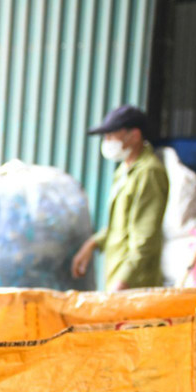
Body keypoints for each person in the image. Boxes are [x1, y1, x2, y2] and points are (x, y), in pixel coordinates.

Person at [71, 104, 169, 291]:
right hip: (117, 275)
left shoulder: (148, 172)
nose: (107, 141)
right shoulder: (124, 171)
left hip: (135, 284)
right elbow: (119, 225)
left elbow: (145, 237)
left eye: (111, 135)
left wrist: (123, 280)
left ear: (134, 135)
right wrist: (92, 243)